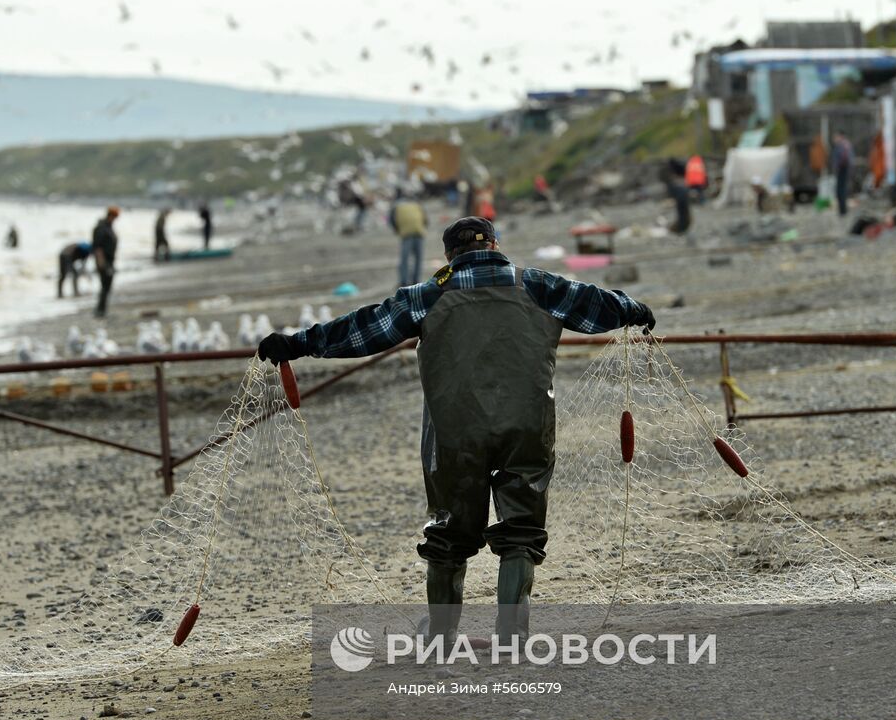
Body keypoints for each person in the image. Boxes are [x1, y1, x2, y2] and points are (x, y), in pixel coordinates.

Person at [257, 217, 654, 644]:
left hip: (453, 435)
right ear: (495, 244)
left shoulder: (428, 295)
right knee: (521, 529)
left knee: (448, 534)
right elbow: (600, 304)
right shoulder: (539, 285)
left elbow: (363, 329)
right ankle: (513, 635)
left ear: (450, 255)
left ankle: (441, 636)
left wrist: (298, 343)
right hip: (528, 426)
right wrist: (634, 309)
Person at [390, 190, 428, 287]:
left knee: (404, 259)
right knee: (418, 258)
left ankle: (404, 281)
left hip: (406, 234)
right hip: (418, 233)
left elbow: (392, 220)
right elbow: (425, 219)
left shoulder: (396, 206)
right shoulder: (417, 205)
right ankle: (416, 280)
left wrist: (398, 230)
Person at [91, 206, 120, 317]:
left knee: (107, 285)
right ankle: (100, 310)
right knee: (104, 284)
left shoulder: (109, 227)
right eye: (115, 217)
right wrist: (101, 263)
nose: (115, 219)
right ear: (110, 215)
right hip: (103, 261)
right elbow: (97, 247)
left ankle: (102, 309)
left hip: (110, 260)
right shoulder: (101, 228)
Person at [662, 158, 691, 234]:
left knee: (682, 213)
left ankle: (680, 228)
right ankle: (681, 227)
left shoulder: (674, 184)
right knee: (683, 212)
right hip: (683, 198)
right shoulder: (681, 184)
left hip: (681, 198)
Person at [831, 132, 854, 217]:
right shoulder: (846, 145)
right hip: (845, 169)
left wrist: (838, 167)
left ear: (840, 137)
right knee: (842, 190)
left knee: (841, 190)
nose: (834, 139)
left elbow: (843, 159)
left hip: (842, 170)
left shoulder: (842, 146)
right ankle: (843, 210)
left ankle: (842, 210)